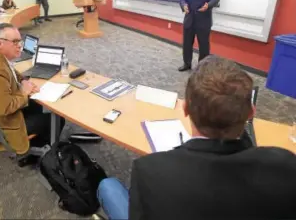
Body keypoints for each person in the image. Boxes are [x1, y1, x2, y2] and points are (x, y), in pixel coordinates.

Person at [97, 56, 296, 220]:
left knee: (108, 186)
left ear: (185, 109)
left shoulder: (148, 170)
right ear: (251, 112)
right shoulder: (286, 164)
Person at [0, 23, 60, 155]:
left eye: (20, 41)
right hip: (3, 123)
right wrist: (24, 92)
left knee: (41, 106)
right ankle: (45, 151)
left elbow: (11, 71)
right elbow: (4, 108)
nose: (20, 45)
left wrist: (24, 81)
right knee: (54, 117)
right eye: (15, 42)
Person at [179, 0, 221, 72]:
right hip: (189, 19)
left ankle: (202, 68)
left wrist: (209, 5)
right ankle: (187, 64)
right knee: (187, 44)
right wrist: (184, 6)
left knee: (203, 46)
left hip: (204, 20)